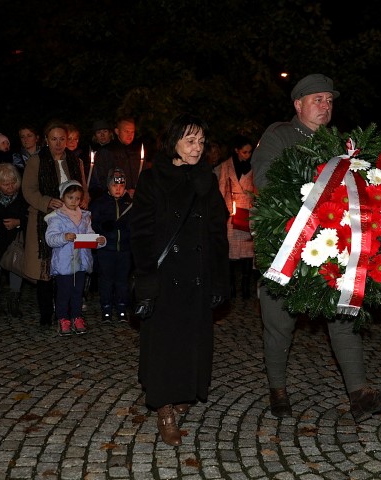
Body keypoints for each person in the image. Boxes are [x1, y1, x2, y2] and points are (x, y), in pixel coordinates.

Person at [250, 74, 381, 422]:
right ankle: (278, 390)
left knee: (343, 314)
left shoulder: (340, 144)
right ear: (298, 104)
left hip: (333, 247)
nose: (325, 106)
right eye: (317, 99)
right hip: (287, 246)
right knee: (279, 323)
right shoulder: (279, 136)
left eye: (329, 100)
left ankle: (360, 393)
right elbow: (264, 181)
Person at [130, 113, 229, 446]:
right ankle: (164, 408)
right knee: (165, 344)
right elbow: (141, 232)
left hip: (198, 274)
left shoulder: (206, 179)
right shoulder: (153, 178)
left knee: (191, 340)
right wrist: (145, 278)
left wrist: (219, 280)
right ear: (173, 142)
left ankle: (185, 390)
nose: (197, 147)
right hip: (165, 276)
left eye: (201, 141)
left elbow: (217, 232)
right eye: (190, 140)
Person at [22, 120, 87, 326]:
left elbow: (83, 188)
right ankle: (45, 314)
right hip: (43, 220)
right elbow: (28, 190)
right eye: (54, 139)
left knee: (67, 267)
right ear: (46, 140)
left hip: (71, 221)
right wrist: (47, 202)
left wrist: (83, 201)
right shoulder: (36, 161)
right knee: (45, 268)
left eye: (62, 139)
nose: (58, 143)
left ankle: (66, 312)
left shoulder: (76, 162)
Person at [45, 180, 106, 336]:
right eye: (70, 197)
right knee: (64, 293)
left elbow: (89, 235)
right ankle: (63, 319)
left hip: (80, 262)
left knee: (78, 292)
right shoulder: (57, 217)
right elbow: (50, 238)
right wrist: (64, 237)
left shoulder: (84, 216)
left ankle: (77, 316)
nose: (74, 202)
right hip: (64, 264)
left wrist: (98, 241)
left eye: (77, 198)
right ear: (63, 197)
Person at [0, 163, 29, 317]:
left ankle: (14, 301)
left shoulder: (23, 196)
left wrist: (19, 222)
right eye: (5, 184)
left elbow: (31, 217)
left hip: (14, 239)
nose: (10, 187)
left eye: (13, 183)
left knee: (16, 265)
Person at [91, 167, 133, 322]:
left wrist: (127, 227)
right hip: (106, 250)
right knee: (106, 280)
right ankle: (106, 307)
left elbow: (135, 223)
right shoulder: (100, 203)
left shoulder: (129, 203)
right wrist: (103, 228)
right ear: (108, 186)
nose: (118, 189)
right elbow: (93, 223)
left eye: (121, 186)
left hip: (124, 250)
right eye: (114, 185)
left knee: (122, 281)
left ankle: (122, 307)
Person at [218, 134, 257, 299]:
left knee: (248, 254)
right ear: (237, 150)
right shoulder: (226, 167)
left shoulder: (254, 166)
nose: (247, 155)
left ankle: (246, 289)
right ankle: (232, 287)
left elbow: (257, 190)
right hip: (232, 213)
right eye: (244, 152)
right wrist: (225, 210)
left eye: (249, 152)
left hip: (248, 213)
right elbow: (221, 189)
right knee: (232, 254)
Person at [96, 117, 141, 197]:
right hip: (115, 199)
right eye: (126, 131)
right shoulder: (107, 151)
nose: (130, 135)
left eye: (132, 132)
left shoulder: (136, 151)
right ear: (117, 131)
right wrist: (124, 190)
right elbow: (103, 178)